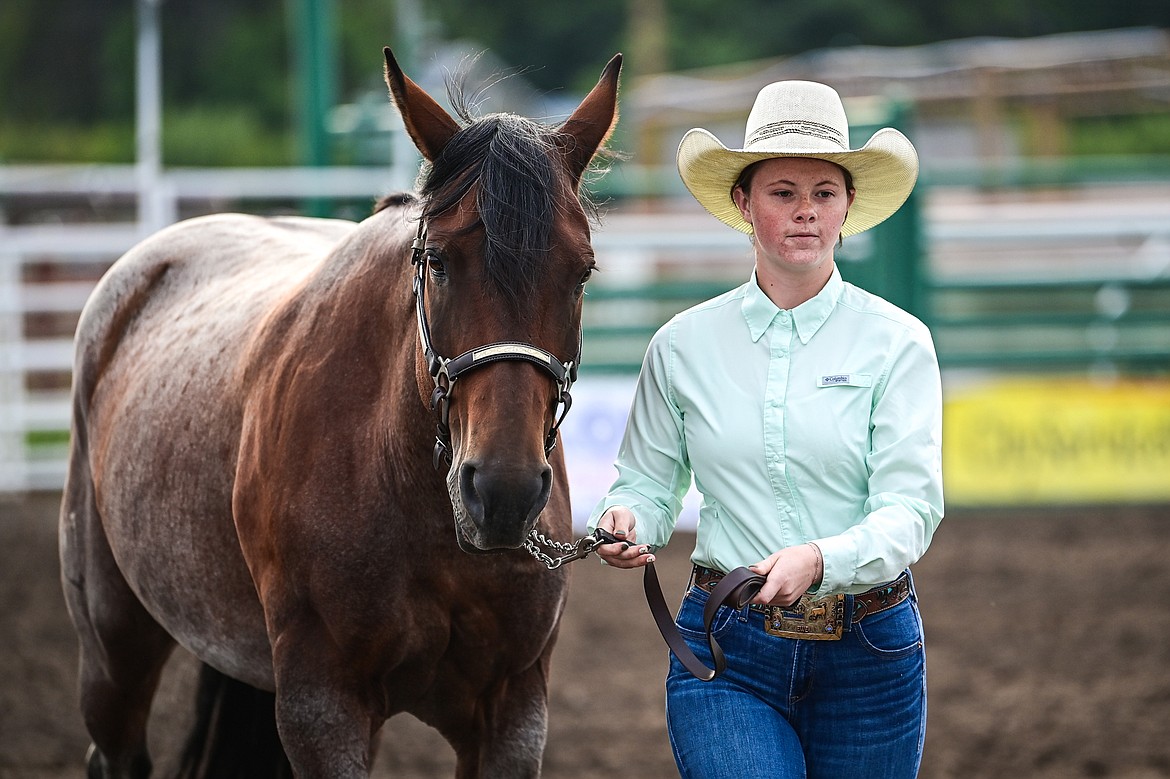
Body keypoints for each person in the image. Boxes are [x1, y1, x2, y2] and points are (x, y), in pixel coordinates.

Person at [588, 79, 944, 778]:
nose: (806, 212)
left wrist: (819, 559)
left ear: (848, 209)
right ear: (743, 203)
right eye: (783, 192)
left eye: (825, 193)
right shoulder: (680, 346)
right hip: (727, 647)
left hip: (870, 652)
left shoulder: (899, 343)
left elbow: (910, 508)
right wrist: (627, 517)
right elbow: (649, 484)